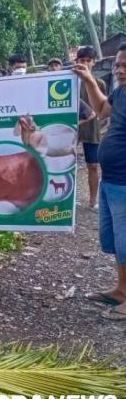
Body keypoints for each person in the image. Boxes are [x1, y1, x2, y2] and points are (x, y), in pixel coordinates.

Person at [74, 42, 126, 320]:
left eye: (125, 66)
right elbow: (102, 109)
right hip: (112, 179)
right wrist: (90, 80)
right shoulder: (121, 92)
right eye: (118, 64)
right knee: (117, 241)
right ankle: (121, 290)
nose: (119, 70)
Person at [75, 46, 108, 212]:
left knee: (93, 166)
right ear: (77, 62)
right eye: (82, 60)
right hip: (72, 130)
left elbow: (103, 109)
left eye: (88, 60)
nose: (85, 64)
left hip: (92, 129)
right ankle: (69, 200)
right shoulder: (69, 82)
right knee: (66, 164)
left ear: (94, 62)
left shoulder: (99, 83)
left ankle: (92, 201)